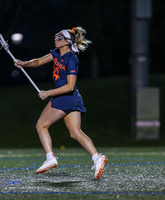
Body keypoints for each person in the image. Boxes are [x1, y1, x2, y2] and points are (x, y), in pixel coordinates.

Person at [14, 27, 108, 180]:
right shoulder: (56, 53)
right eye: (55, 36)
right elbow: (38, 61)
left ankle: (50, 158)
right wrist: (24, 63)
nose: (55, 39)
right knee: (75, 133)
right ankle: (97, 157)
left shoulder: (72, 59)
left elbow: (69, 86)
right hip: (73, 97)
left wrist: (48, 93)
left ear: (66, 42)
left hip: (66, 96)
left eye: (59, 37)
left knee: (41, 125)